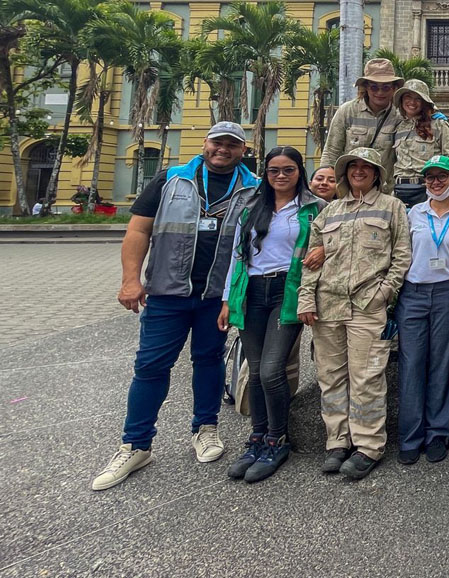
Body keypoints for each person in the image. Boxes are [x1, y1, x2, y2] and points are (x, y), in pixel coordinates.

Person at [92, 121, 258, 491]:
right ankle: (136, 444)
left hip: (215, 297)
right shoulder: (171, 179)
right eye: (218, 143)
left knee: (209, 360)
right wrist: (130, 279)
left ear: (242, 150)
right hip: (168, 292)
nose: (223, 150)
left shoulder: (253, 188)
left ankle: (206, 428)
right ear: (205, 143)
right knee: (151, 366)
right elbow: (138, 230)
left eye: (233, 145)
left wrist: (236, 297)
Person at [296, 147, 411, 480]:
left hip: (367, 306)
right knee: (331, 377)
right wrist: (306, 299)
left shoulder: (392, 208)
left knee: (367, 379)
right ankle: (337, 441)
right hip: (327, 305)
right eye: (353, 167)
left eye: (366, 167)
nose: (359, 171)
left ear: (377, 173)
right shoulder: (329, 211)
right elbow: (310, 259)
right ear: (345, 174)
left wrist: (385, 293)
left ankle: (368, 446)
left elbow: (402, 256)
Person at [219, 146, 325, 482]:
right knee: (254, 372)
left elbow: (334, 241)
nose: (281, 176)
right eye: (274, 170)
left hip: (287, 290)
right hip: (251, 291)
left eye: (288, 170)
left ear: (300, 172)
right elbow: (237, 256)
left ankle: (277, 438)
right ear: (266, 173)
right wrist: (226, 300)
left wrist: (323, 248)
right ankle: (257, 438)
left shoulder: (313, 207)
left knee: (271, 370)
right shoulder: (252, 206)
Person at [396, 154, 449, 465]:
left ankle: (437, 432)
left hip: (448, 292)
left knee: (443, 362)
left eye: (442, 176)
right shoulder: (413, 213)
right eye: (430, 177)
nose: (436, 182)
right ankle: (410, 435)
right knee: (411, 363)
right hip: (413, 293)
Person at [320, 58, 403, 191]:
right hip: (350, 190)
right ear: (366, 88)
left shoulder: (400, 116)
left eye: (386, 87)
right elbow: (331, 152)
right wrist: (330, 186)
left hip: (385, 192)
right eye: (374, 87)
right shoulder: (347, 111)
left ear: (394, 89)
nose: (380, 93)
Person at [391, 78, 449, 208]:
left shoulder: (439, 125)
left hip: (427, 191)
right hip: (399, 191)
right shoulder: (398, 126)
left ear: (424, 102)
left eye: (417, 98)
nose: (412, 102)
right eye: (408, 97)